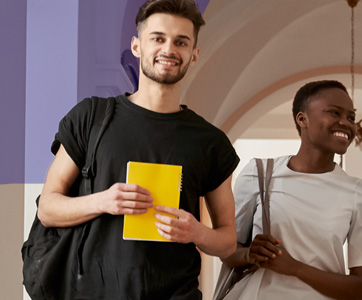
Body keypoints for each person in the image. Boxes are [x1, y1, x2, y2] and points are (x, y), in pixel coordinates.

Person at [36, 0, 239, 298]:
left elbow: (228, 240)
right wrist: (103, 201)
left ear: (194, 54)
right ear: (136, 46)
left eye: (181, 42)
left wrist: (198, 232)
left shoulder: (211, 142)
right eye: (158, 38)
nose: (169, 49)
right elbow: (47, 209)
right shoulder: (90, 117)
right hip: (93, 292)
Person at [220, 80, 362, 300]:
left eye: (351, 117)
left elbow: (361, 289)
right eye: (334, 113)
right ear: (302, 119)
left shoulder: (357, 191)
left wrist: (295, 268)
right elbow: (227, 250)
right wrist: (249, 254)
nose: (346, 123)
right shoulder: (259, 174)